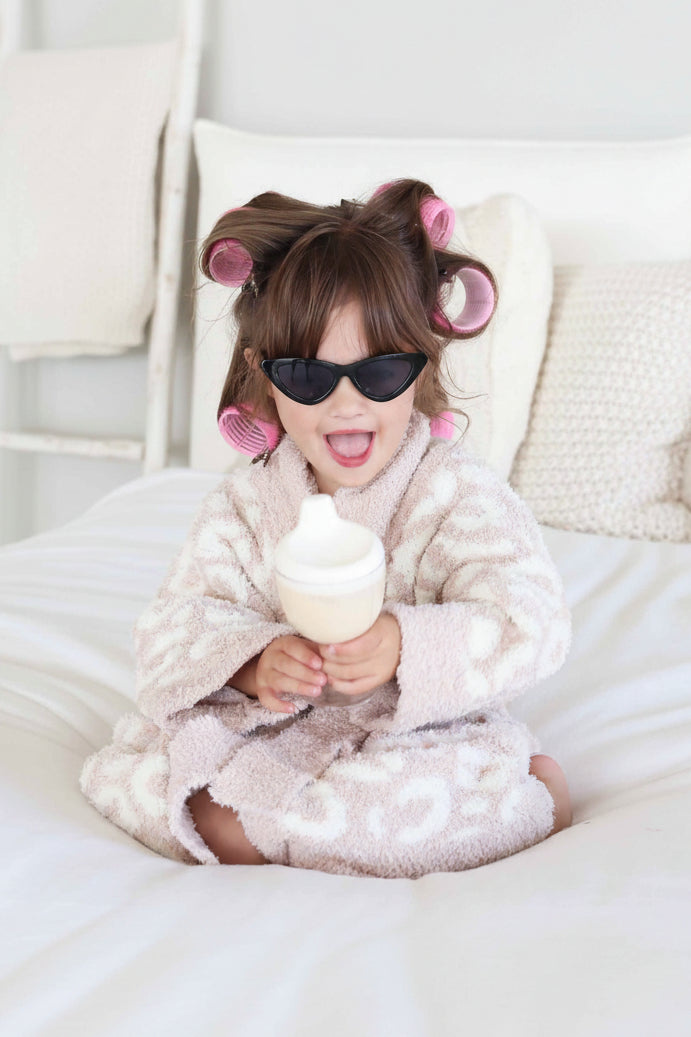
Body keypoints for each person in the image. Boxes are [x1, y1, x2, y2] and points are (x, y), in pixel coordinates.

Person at [80, 178, 572, 878]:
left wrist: (404, 645)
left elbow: (532, 617)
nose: (345, 404)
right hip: (273, 733)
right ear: (266, 376)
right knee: (138, 775)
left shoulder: (453, 492)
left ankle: (522, 791)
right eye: (310, 377)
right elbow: (172, 627)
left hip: (412, 738)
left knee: (423, 801)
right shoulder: (245, 504)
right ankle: (288, 827)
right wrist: (253, 662)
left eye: (377, 372)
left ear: (421, 365)